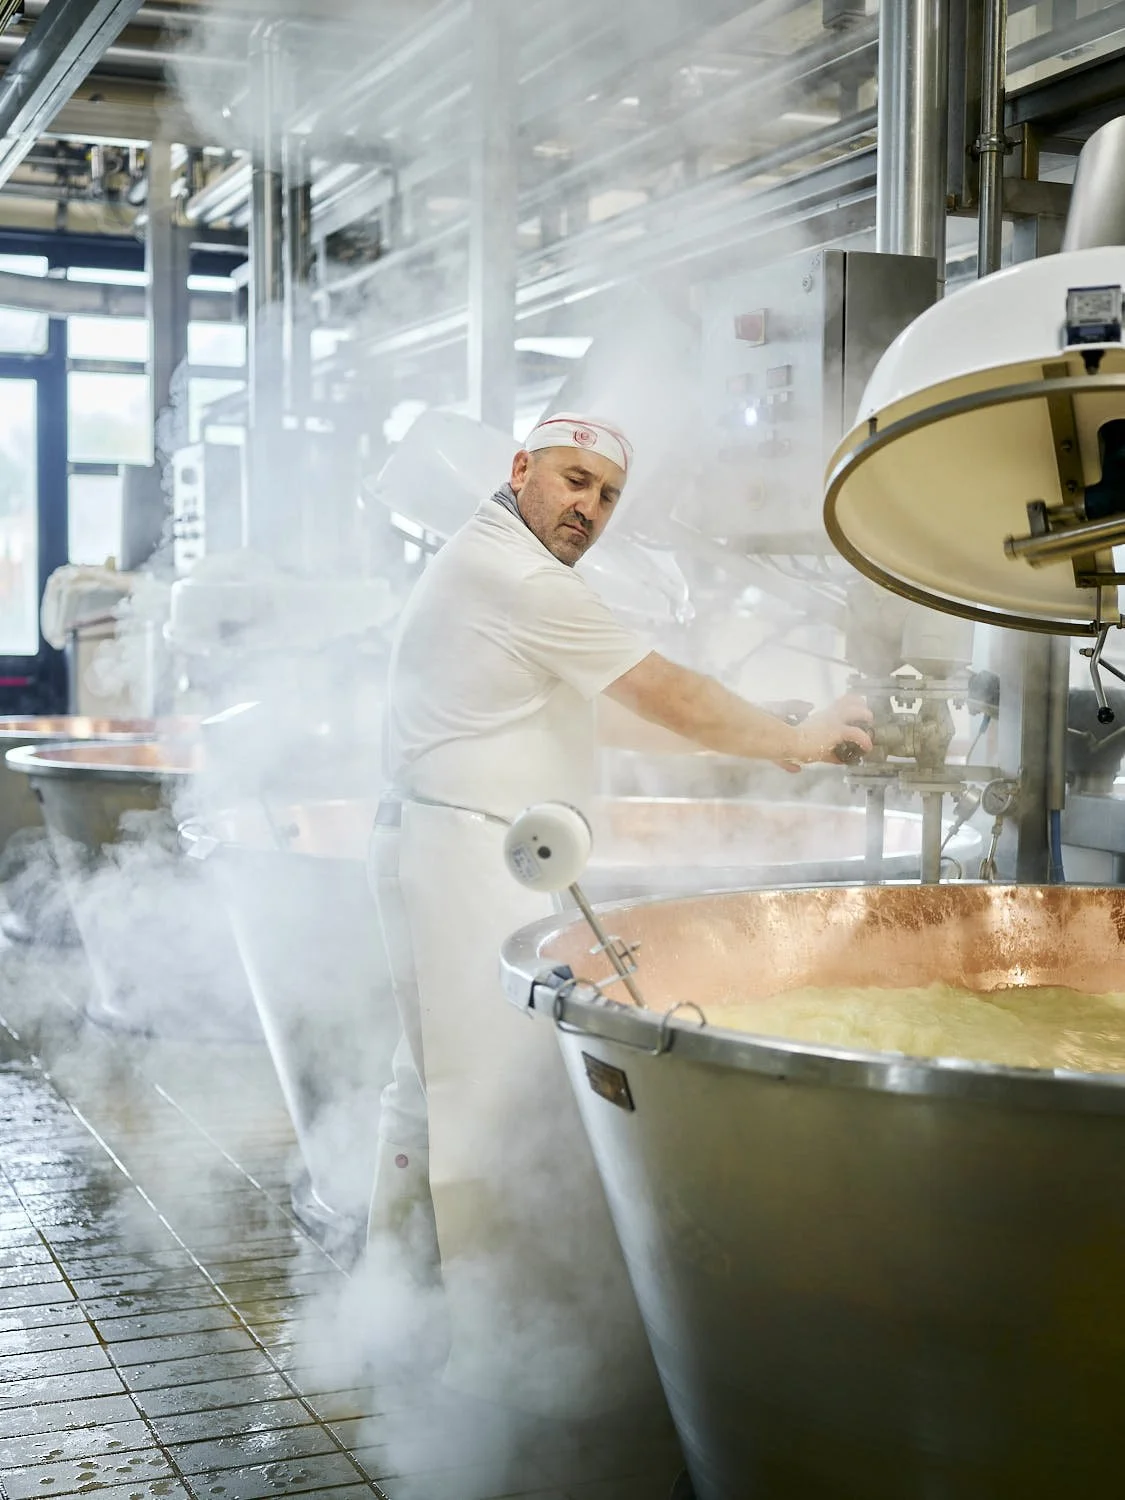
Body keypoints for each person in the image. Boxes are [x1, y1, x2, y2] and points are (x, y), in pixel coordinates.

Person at [367, 412, 872, 1417]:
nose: (587, 507)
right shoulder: (516, 577)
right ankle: (488, 1365)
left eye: (604, 495)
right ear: (523, 471)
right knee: (486, 1100)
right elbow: (665, 689)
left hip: (458, 845)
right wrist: (803, 737)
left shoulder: (499, 569)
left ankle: (389, 1299)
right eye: (572, 480)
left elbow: (604, 711)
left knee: (422, 1082)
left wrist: (773, 740)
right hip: (469, 855)